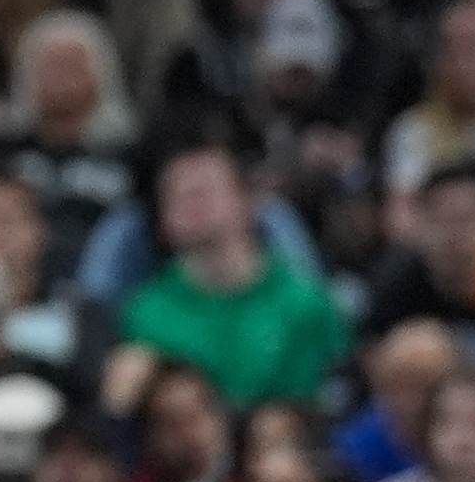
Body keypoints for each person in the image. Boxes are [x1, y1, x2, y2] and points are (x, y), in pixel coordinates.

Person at [112, 137, 347, 414]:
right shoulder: (147, 313)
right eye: (180, 196)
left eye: (206, 191)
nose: (194, 205)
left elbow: (329, 394)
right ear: (164, 220)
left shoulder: (304, 302)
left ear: (247, 202)